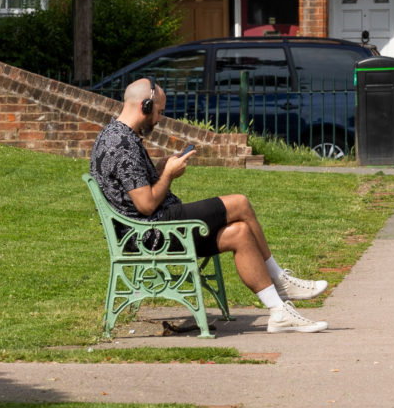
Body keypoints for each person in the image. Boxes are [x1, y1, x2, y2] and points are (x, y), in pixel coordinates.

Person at [90, 77, 331, 334]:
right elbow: (147, 204)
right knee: (239, 203)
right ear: (145, 106)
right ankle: (281, 280)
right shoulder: (122, 144)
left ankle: (279, 313)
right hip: (152, 232)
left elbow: (137, 191)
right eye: (159, 112)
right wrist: (168, 175)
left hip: (152, 229)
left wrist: (161, 170)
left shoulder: (114, 135)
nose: (159, 119)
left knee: (240, 232)